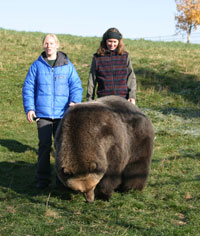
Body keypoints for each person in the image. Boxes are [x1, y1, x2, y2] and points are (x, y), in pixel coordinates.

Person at [22, 34, 83, 189]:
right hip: (42, 114)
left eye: (51, 43)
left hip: (63, 114)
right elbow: (28, 88)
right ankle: (42, 180)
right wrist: (30, 108)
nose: (49, 46)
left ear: (57, 45)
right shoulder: (37, 65)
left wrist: (75, 101)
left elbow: (76, 85)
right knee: (44, 146)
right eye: (46, 43)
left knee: (62, 148)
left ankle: (61, 181)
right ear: (43, 46)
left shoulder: (67, 66)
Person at [87, 27, 136, 104]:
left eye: (114, 42)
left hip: (123, 99)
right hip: (103, 100)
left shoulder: (125, 56)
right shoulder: (97, 57)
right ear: (105, 41)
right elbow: (92, 79)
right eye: (110, 41)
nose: (112, 44)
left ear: (119, 42)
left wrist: (132, 96)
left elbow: (131, 77)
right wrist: (90, 99)